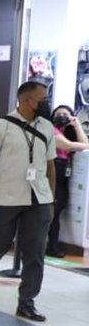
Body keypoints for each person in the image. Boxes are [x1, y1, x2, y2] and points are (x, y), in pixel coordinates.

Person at [0, 81, 57, 321]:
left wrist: (50, 200)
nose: (46, 103)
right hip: (5, 197)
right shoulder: (0, 127)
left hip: (38, 198)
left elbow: (50, 166)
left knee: (35, 251)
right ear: (26, 100)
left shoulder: (47, 127)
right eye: (42, 99)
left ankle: (27, 302)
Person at [47, 105, 89, 257]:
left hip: (64, 174)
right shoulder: (51, 131)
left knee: (57, 210)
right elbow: (68, 146)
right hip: (52, 172)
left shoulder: (69, 133)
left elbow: (83, 146)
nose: (62, 117)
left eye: (65, 114)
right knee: (51, 210)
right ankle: (49, 246)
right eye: (58, 114)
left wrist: (77, 125)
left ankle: (52, 245)